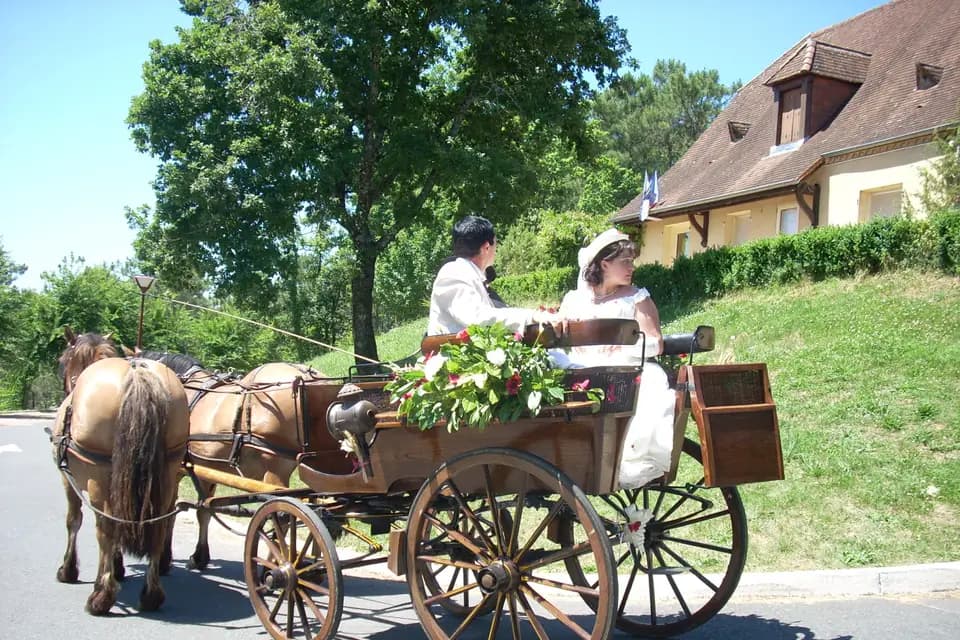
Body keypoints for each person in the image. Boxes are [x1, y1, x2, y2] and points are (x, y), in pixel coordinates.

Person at [553, 228, 675, 489]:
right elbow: (559, 338)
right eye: (625, 262)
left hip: (623, 368)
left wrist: (622, 348)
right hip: (580, 369)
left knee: (650, 380)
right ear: (604, 264)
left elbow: (655, 342)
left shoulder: (637, 297)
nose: (632, 267)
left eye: (632, 261)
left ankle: (625, 459)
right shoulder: (574, 299)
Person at [428, 216, 559, 335]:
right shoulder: (453, 273)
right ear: (486, 247)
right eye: (496, 243)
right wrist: (533, 316)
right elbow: (478, 318)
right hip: (454, 359)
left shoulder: (468, 273)